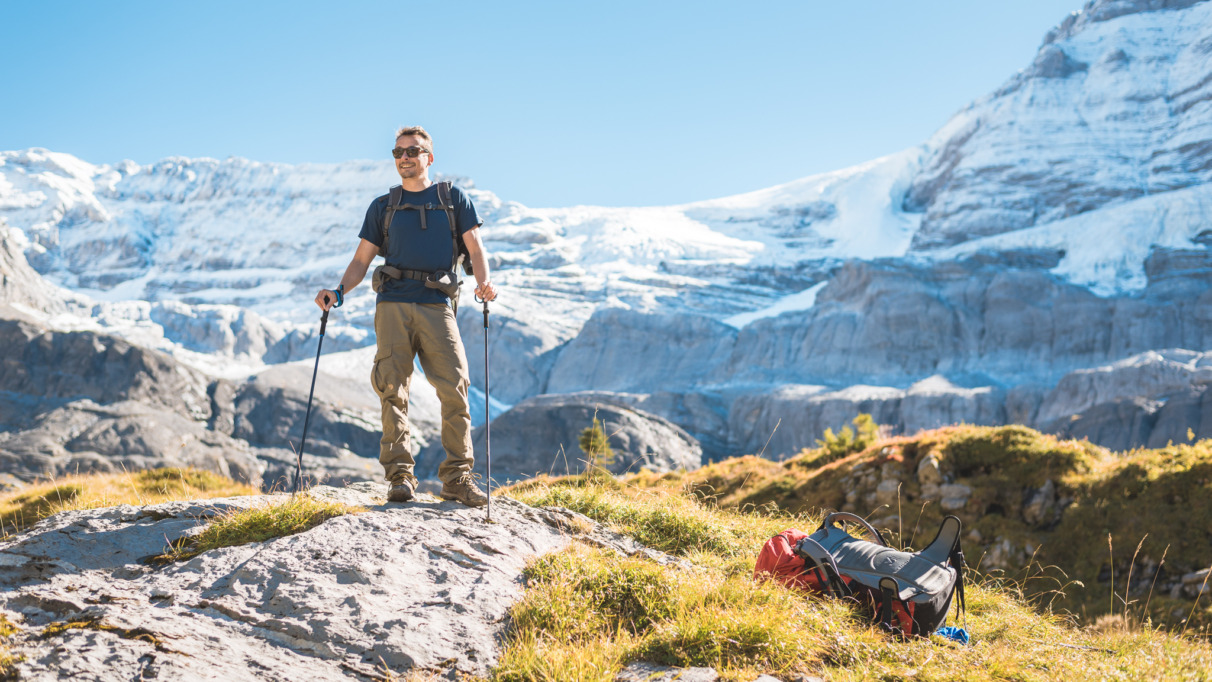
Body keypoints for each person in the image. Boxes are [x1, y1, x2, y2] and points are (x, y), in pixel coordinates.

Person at [315, 125, 497, 506]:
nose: (404, 158)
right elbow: (361, 260)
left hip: (436, 305)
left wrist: (484, 283)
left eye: (412, 151)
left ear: (429, 157)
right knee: (392, 389)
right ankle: (400, 478)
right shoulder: (384, 206)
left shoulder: (453, 198)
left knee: (455, 387)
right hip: (392, 305)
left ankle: (457, 478)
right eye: (398, 153)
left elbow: (475, 248)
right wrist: (339, 293)